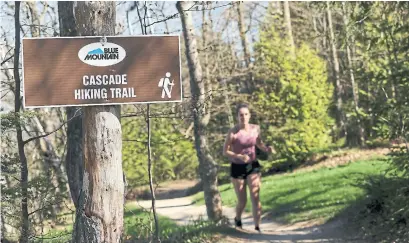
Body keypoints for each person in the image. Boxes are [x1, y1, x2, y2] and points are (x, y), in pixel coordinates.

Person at [223, 103, 275, 232]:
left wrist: (267, 149)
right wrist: (239, 156)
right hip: (237, 167)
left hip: (253, 165)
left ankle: (257, 226)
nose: (243, 117)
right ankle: (238, 219)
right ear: (237, 117)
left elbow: (259, 143)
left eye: (246, 114)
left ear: (249, 116)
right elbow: (225, 151)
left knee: (255, 195)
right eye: (241, 115)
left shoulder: (255, 129)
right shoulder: (233, 132)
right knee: (242, 200)